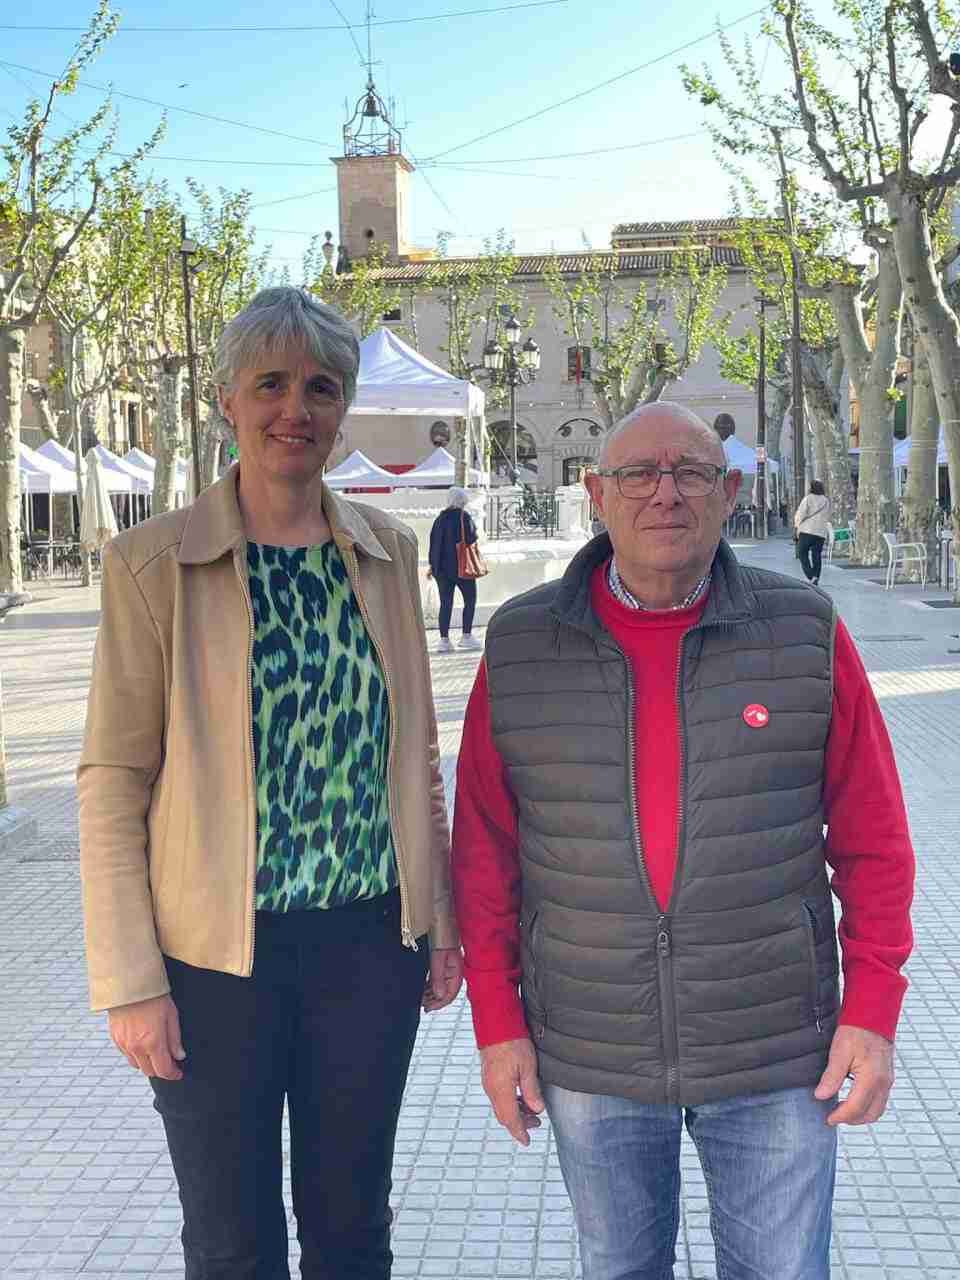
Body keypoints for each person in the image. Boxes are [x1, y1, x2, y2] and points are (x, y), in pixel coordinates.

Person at [451, 402, 914, 1280]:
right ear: (596, 494)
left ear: (730, 491)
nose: (665, 493)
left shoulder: (803, 632)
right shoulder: (522, 647)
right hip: (592, 1048)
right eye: (637, 474)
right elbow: (482, 851)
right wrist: (498, 1023)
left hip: (777, 1047)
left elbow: (875, 839)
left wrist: (873, 1009)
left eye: (691, 472)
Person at [78, 286, 463, 1280]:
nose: (296, 407)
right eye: (271, 383)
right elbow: (113, 780)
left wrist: (439, 921)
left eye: (321, 387)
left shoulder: (387, 555)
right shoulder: (151, 564)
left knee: (351, 1231)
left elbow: (413, 752)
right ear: (226, 400)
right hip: (211, 965)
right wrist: (130, 980)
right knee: (231, 1240)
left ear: (341, 410)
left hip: (368, 950)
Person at [427, 486, 482, 653]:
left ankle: (444, 641)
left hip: (441, 570)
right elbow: (472, 537)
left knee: (446, 603)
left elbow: (433, 544)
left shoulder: (439, 519)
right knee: (470, 599)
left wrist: (432, 566)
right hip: (461, 567)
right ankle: (466, 636)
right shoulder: (463, 517)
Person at [795, 478, 831, 584]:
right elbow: (827, 515)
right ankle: (816, 576)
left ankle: (810, 576)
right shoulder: (826, 500)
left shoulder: (808, 499)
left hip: (807, 531)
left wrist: (797, 525)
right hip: (820, 532)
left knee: (802, 552)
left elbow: (801, 513)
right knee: (816, 555)